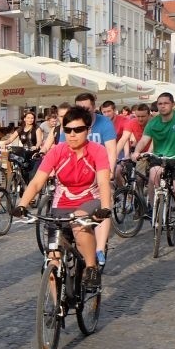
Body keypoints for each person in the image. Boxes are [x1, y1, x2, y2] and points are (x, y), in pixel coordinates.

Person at [13, 106, 112, 289]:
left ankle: (91, 267)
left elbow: (104, 182)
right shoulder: (57, 151)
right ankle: (54, 312)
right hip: (62, 203)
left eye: (78, 130)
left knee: (78, 220)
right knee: (52, 261)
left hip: (89, 200)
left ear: (88, 130)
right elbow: (36, 182)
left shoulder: (97, 151)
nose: (72, 134)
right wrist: (22, 205)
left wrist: (105, 207)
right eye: (68, 130)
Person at [60, 93, 116, 267]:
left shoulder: (104, 123)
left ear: (94, 106)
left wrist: (110, 171)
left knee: (105, 203)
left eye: (87, 107)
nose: (83, 110)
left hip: (99, 171)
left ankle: (99, 249)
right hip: (77, 173)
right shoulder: (72, 125)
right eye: (79, 106)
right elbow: (62, 148)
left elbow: (111, 150)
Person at [131, 92, 175, 234]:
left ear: (172, 104)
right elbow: (144, 140)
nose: (162, 106)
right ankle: (156, 209)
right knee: (154, 176)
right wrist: (136, 152)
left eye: (166, 103)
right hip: (160, 158)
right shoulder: (153, 122)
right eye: (160, 104)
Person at [2, 110, 44, 180]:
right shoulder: (21, 129)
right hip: (25, 153)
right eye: (28, 118)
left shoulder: (37, 129)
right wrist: (4, 143)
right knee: (23, 172)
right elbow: (10, 139)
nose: (30, 120)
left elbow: (39, 141)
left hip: (34, 154)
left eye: (32, 118)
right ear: (24, 119)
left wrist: (36, 146)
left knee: (32, 175)